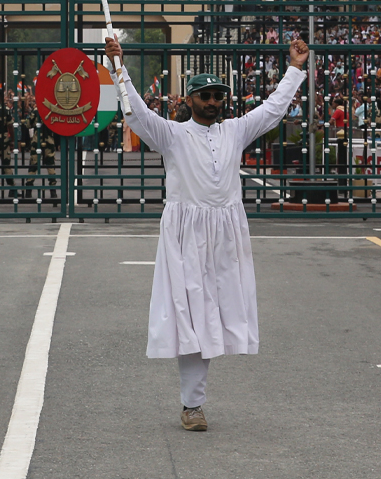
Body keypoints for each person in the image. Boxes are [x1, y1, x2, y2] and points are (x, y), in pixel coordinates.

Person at [104, 33, 309, 432]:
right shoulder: (172, 135)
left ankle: (195, 399)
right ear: (189, 101)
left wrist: (295, 69)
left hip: (227, 236)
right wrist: (118, 69)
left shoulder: (234, 130)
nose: (213, 102)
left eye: (218, 96)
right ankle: (192, 406)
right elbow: (137, 115)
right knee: (190, 318)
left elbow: (272, 111)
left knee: (222, 313)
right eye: (205, 96)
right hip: (185, 238)